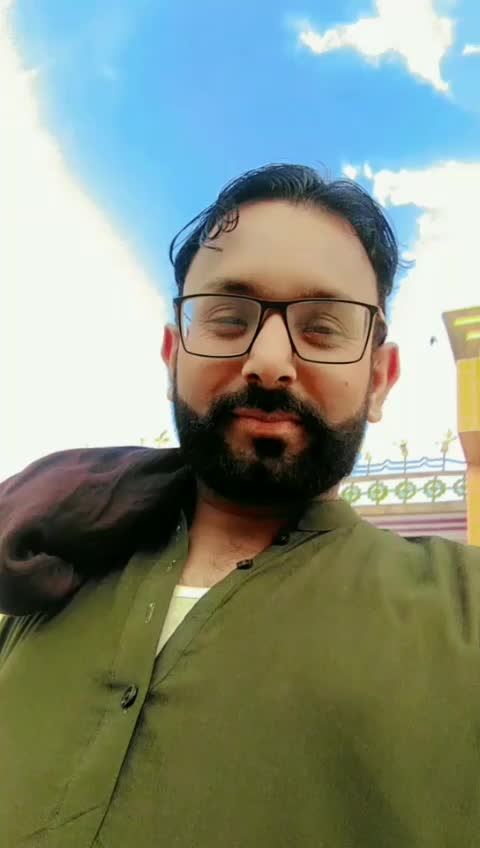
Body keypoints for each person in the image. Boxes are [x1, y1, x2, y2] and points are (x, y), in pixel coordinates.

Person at [1, 163, 480, 847]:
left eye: (323, 327)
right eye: (228, 319)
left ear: (380, 377)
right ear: (173, 356)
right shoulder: (38, 578)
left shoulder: (465, 618)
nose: (269, 362)